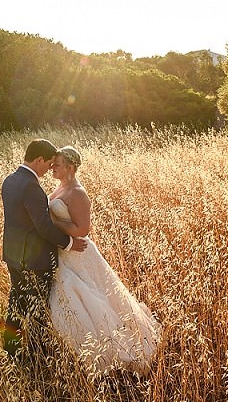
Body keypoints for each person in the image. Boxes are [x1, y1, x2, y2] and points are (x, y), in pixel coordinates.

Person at [48, 146, 161, 375]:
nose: (52, 167)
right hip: (63, 253)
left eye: (57, 164)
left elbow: (82, 229)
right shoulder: (60, 188)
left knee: (94, 297)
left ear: (69, 167)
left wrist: (51, 222)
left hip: (78, 253)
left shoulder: (78, 193)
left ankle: (112, 349)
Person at [1, 138, 88, 359]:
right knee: (38, 309)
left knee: (16, 302)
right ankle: (37, 355)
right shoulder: (32, 187)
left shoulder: (10, 181)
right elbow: (43, 227)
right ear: (39, 159)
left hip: (13, 256)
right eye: (49, 163)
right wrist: (69, 244)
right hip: (35, 259)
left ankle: (11, 349)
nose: (50, 168)